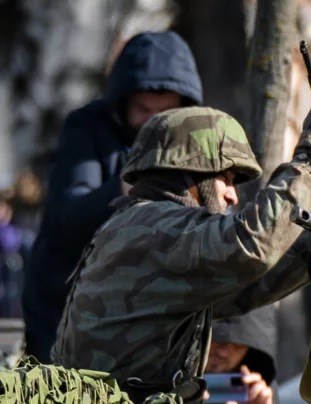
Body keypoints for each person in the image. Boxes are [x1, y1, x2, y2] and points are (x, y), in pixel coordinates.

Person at [50, 98, 311, 404]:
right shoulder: (155, 228)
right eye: (226, 179)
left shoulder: (144, 232)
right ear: (190, 172)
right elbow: (251, 244)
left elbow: (246, 289)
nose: (232, 196)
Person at [23, 30, 203, 363]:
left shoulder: (195, 140)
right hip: (66, 311)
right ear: (122, 103)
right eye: (143, 110)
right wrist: (128, 185)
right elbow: (68, 217)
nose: (153, 123)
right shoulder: (87, 127)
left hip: (146, 317)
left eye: (165, 113)